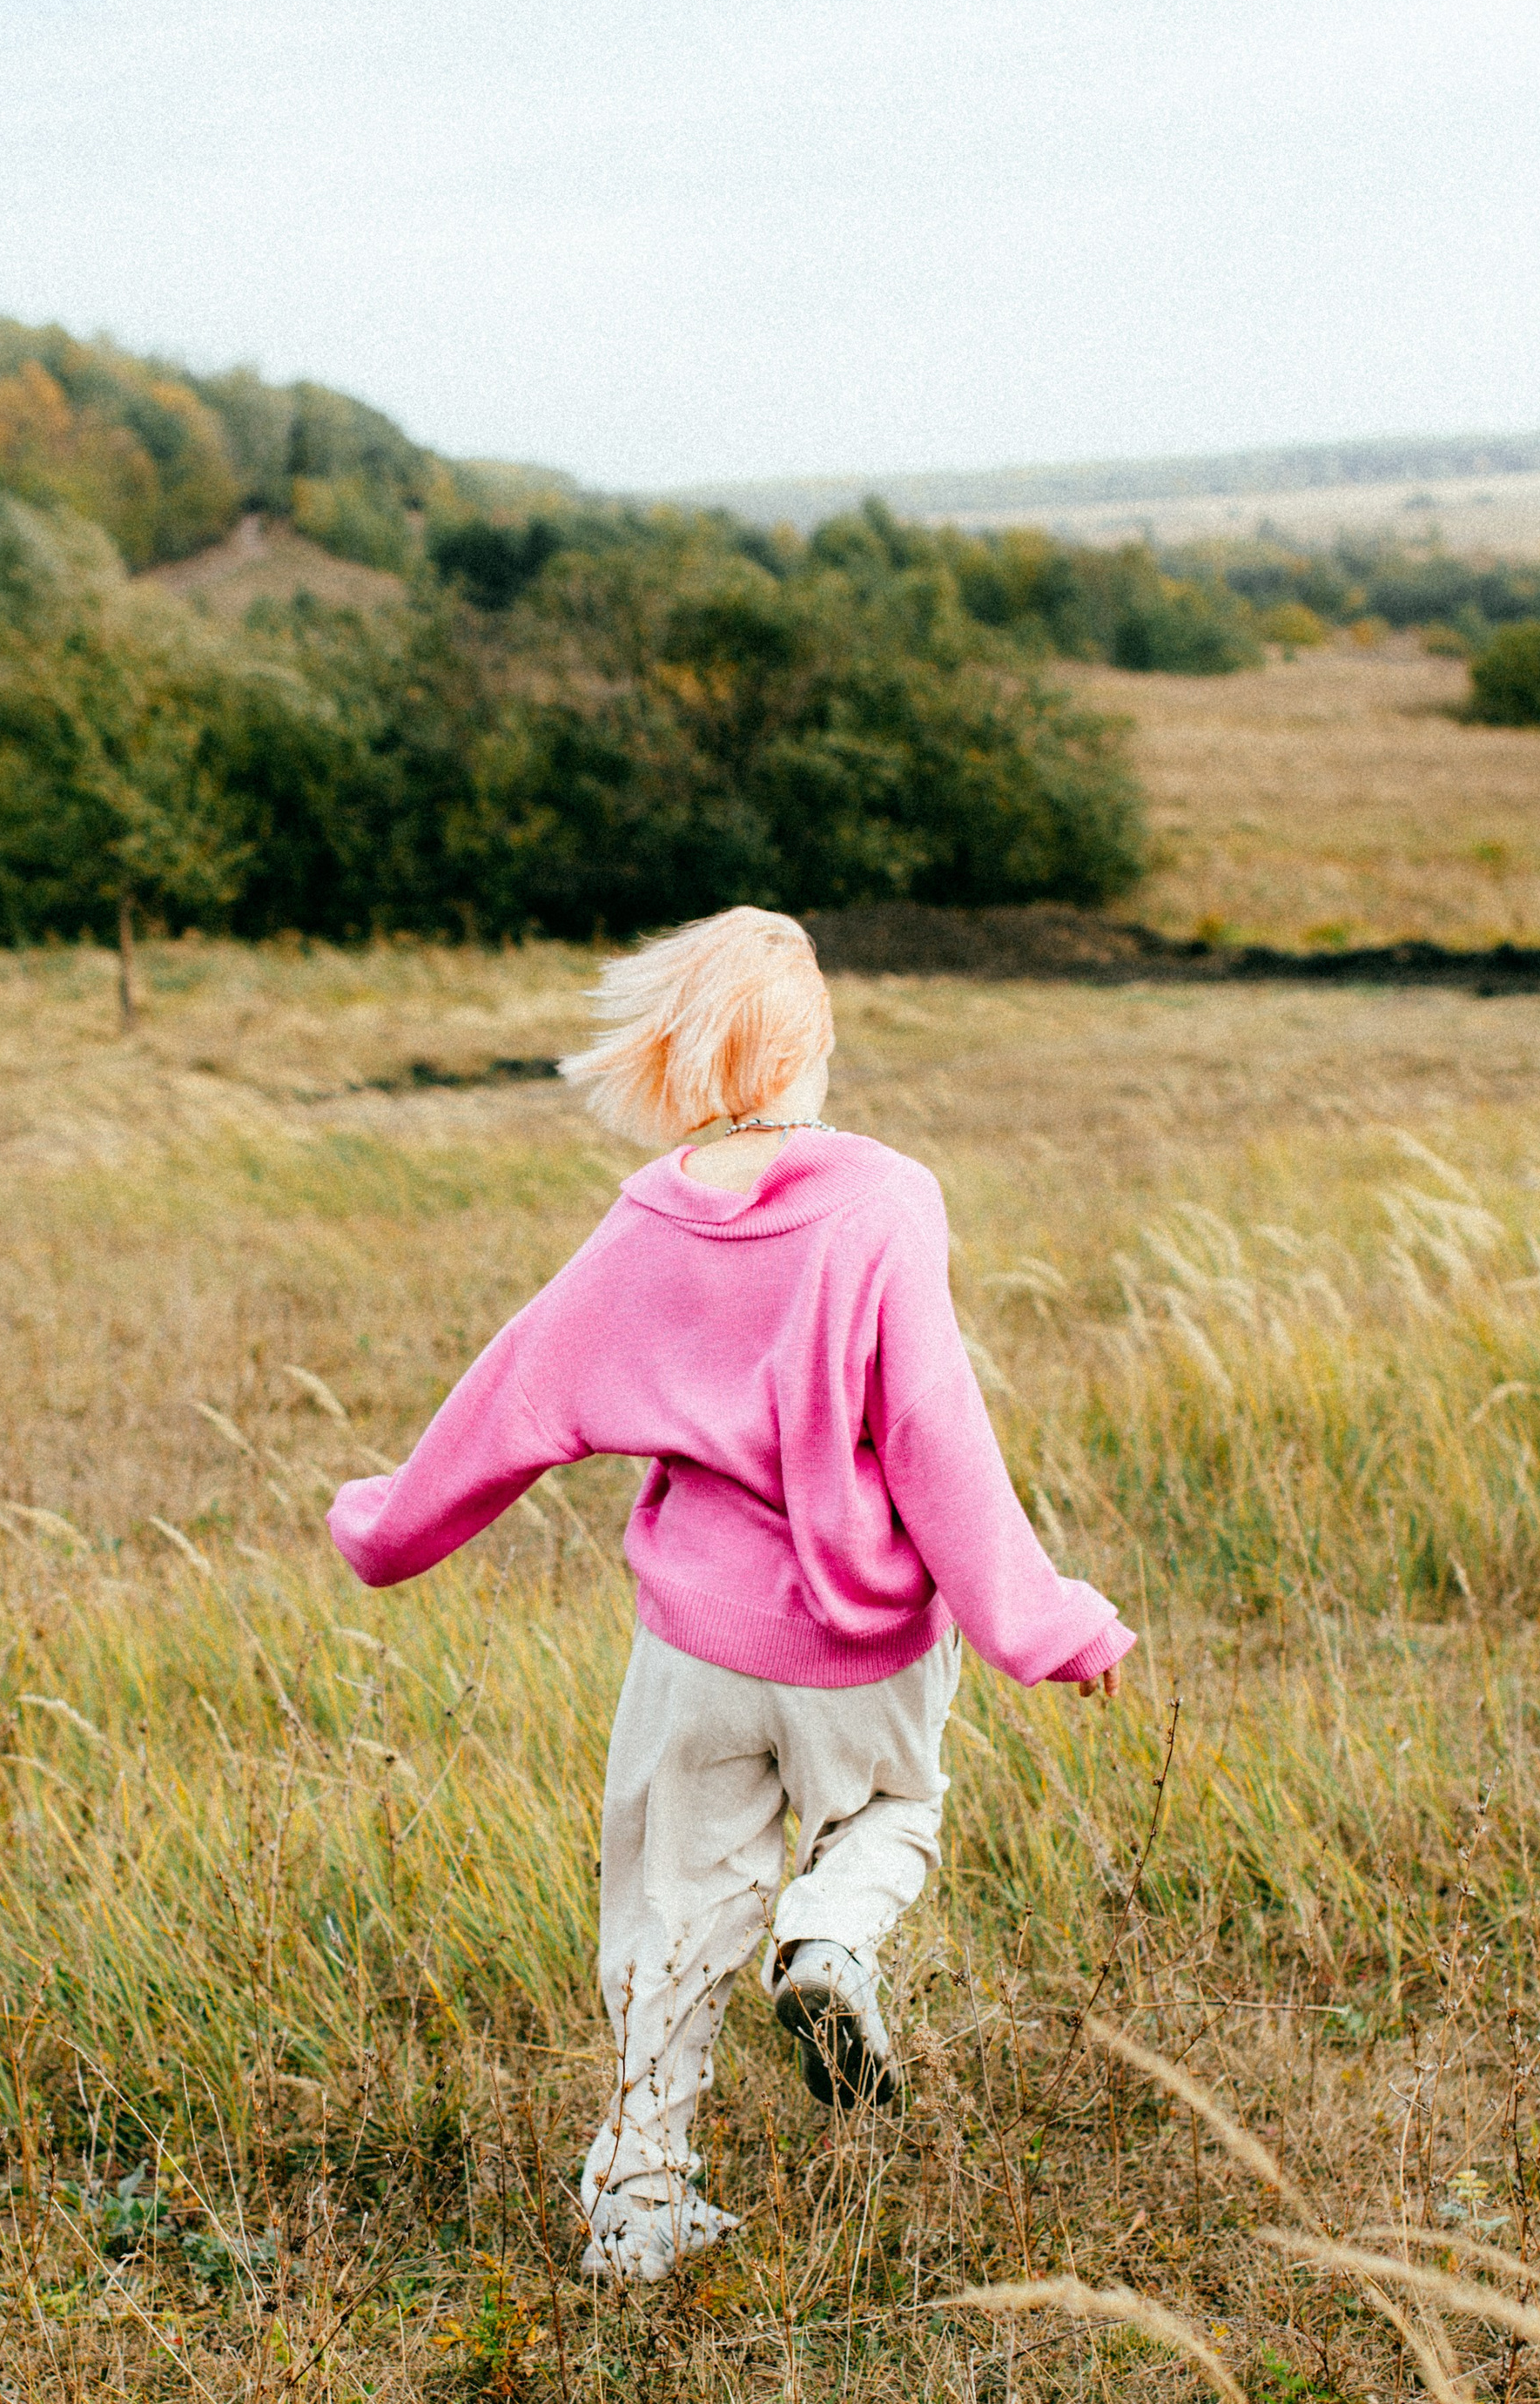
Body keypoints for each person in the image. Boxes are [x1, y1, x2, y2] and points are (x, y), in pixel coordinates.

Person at [326, 906, 1135, 2284]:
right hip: (863, 1645)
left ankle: (639, 2204)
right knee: (889, 1813)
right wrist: (1044, 1623)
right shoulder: (888, 1197)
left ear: (683, 1055)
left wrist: (386, 1530)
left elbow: (518, 1387)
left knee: (673, 1909)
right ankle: (828, 1942)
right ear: (812, 1045)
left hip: (694, 1648)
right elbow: (939, 1438)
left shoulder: (648, 1214)